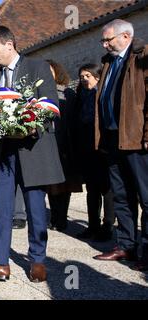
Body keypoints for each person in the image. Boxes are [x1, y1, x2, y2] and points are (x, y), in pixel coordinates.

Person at [0, 26, 64, 282]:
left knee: (34, 208)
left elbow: (51, 104)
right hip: (3, 152)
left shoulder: (38, 67)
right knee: (0, 206)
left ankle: (38, 260)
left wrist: (30, 123)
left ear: (9, 45)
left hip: (32, 149)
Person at [92, 19, 148, 272]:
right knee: (122, 195)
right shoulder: (108, 62)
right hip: (114, 139)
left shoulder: (141, 57)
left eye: (109, 40)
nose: (105, 45)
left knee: (146, 197)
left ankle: (146, 250)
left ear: (126, 36)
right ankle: (126, 244)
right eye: (103, 40)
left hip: (137, 139)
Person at [74, 63, 115, 241]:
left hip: (102, 147)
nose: (84, 79)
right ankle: (92, 226)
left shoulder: (103, 94)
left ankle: (107, 227)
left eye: (87, 76)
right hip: (86, 147)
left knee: (106, 189)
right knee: (91, 189)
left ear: (97, 77)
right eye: (81, 76)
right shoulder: (81, 95)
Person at [0, 60, 27, 230]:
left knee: (15, 178)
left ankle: (18, 215)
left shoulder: (13, 81)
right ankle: (0, 214)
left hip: (12, 136)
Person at [45, 60, 83, 232]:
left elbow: (75, 120)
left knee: (64, 184)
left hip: (66, 144)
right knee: (51, 185)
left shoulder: (67, 93)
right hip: (49, 143)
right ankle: (54, 216)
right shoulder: (40, 94)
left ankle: (61, 219)